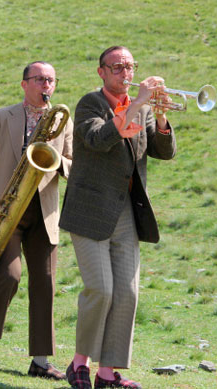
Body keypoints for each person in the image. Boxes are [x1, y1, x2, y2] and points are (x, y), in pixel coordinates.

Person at [59, 46, 177, 389]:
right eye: (118, 68)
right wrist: (139, 102)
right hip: (90, 210)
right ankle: (78, 363)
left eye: (130, 67)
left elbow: (163, 152)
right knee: (101, 289)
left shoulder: (141, 110)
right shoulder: (89, 104)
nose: (126, 73)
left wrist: (161, 114)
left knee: (127, 293)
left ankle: (108, 373)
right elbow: (97, 139)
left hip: (127, 209)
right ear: (102, 73)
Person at [0, 61, 73, 380]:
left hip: (44, 213)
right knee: (10, 277)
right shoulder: (3, 117)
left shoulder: (62, 120)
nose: (47, 86)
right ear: (24, 83)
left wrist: (58, 164)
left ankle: (40, 361)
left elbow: (73, 162)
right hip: (6, 211)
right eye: (41, 79)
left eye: (51, 81)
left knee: (45, 284)